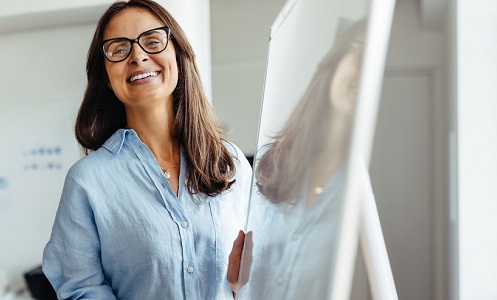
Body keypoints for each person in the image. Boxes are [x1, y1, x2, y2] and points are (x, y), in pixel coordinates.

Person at [42, 0, 252, 299]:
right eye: (119, 49)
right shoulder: (88, 181)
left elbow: (258, 275)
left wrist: (240, 284)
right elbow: (80, 288)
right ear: (106, 77)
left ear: (178, 55)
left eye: (153, 41)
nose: (138, 56)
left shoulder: (230, 163)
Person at [227, 19, 368, 299]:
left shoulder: (370, 186)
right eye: (358, 52)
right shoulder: (272, 162)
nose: (366, 69)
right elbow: (246, 283)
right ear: (333, 63)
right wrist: (235, 283)